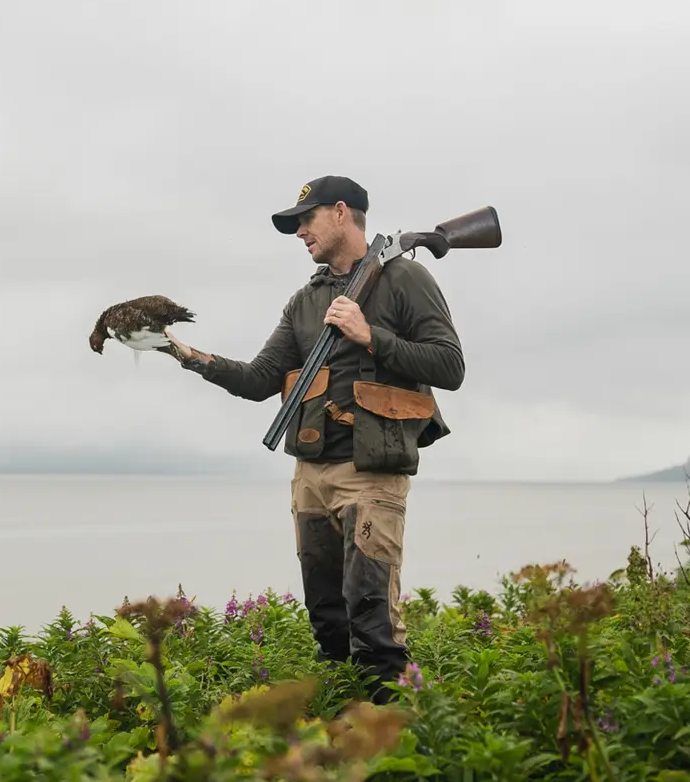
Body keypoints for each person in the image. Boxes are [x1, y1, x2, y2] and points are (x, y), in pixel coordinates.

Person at [165, 175, 465, 702]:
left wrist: (371, 335)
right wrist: (187, 356)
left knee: (372, 619)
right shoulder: (304, 301)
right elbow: (260, 379)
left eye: (307, 219)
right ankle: (342, 735)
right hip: (310, 477)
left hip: (372, 474)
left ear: (342, 212)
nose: (299, 232)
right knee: (328, 620)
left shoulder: (406, 279)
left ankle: (389, 739)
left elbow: (450, 365)